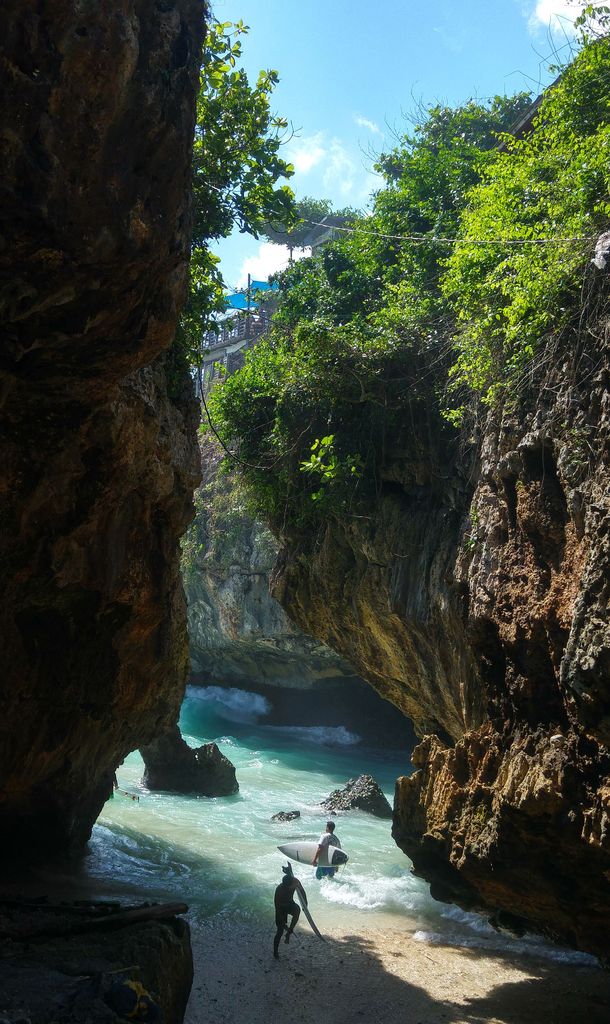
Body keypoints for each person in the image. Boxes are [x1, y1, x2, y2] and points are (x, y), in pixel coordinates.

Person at [273, 865, 307, 958]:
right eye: (285, 887)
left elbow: (302, 891)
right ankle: (275, 952)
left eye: (288, 887)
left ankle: (289, 932)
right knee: (279, 931)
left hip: (290, 904)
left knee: (297, 910)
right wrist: (283, 924)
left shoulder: (295, 882)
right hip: (281, 908)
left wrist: (305, 904)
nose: (287, 889)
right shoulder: (280, 891)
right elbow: (278, 909)